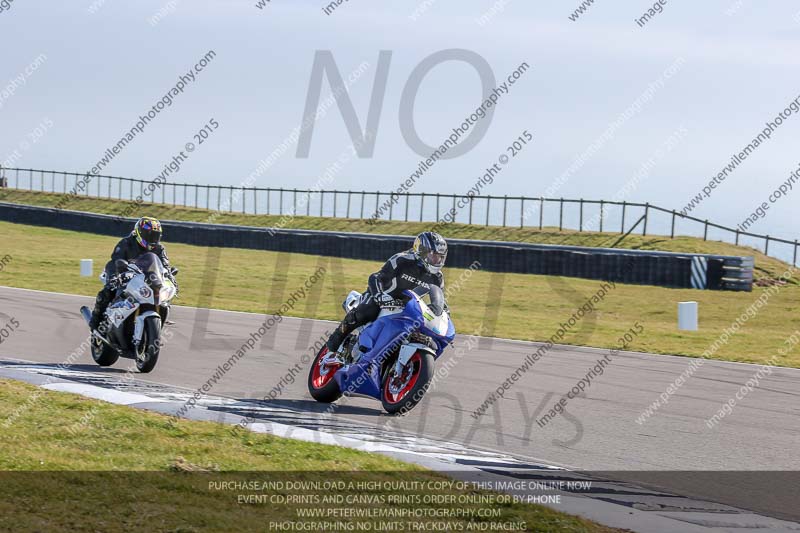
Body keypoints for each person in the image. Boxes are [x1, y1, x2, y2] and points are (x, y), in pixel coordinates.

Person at [325, 231, 448, 353]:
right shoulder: (402, 259)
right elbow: (376, 277)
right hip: (382, 298)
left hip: (407, 307)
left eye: (440, 257)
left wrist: (443, 313)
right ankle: (335, 340)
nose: (437, 261)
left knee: (422, 330)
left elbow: (439, 299)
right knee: (367, 310)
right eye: (434, 256)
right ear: (422, 250)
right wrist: (380, 296)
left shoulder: (437, 278)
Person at [88, 217, 172, 331]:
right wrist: (114, 277)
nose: (153, 239)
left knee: (164, 301)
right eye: (150, 235)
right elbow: (114, 261)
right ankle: (95, 322)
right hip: (125, 276)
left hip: (148, 280)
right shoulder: (126, 243)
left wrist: (170, 277)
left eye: (156, 236)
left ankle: (153, 332)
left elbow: (165, 267)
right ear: (140, 233)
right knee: (107, 293)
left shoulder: (159, 248)